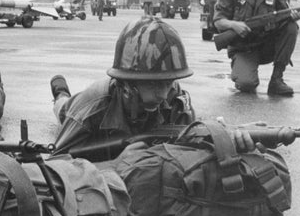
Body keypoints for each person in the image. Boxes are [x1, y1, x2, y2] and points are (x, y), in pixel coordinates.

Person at [49, 17, 196, 156]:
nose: (164, 95)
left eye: (168, 83)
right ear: (127, 83)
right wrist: (118, 163)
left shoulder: (175, 98)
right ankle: (60, 91)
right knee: (62, 106)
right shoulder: (89, 111)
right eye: (154, 85)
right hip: (74, 107)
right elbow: (56, 163)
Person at [214, 0, 299, 97]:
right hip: (243, 47)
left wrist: (292, 17)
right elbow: (218, 21)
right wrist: (234, 25)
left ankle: (277, 80)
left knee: (291, 27)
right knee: (247, 85)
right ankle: (241, 67)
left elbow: (284, 15)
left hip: (267, 47)